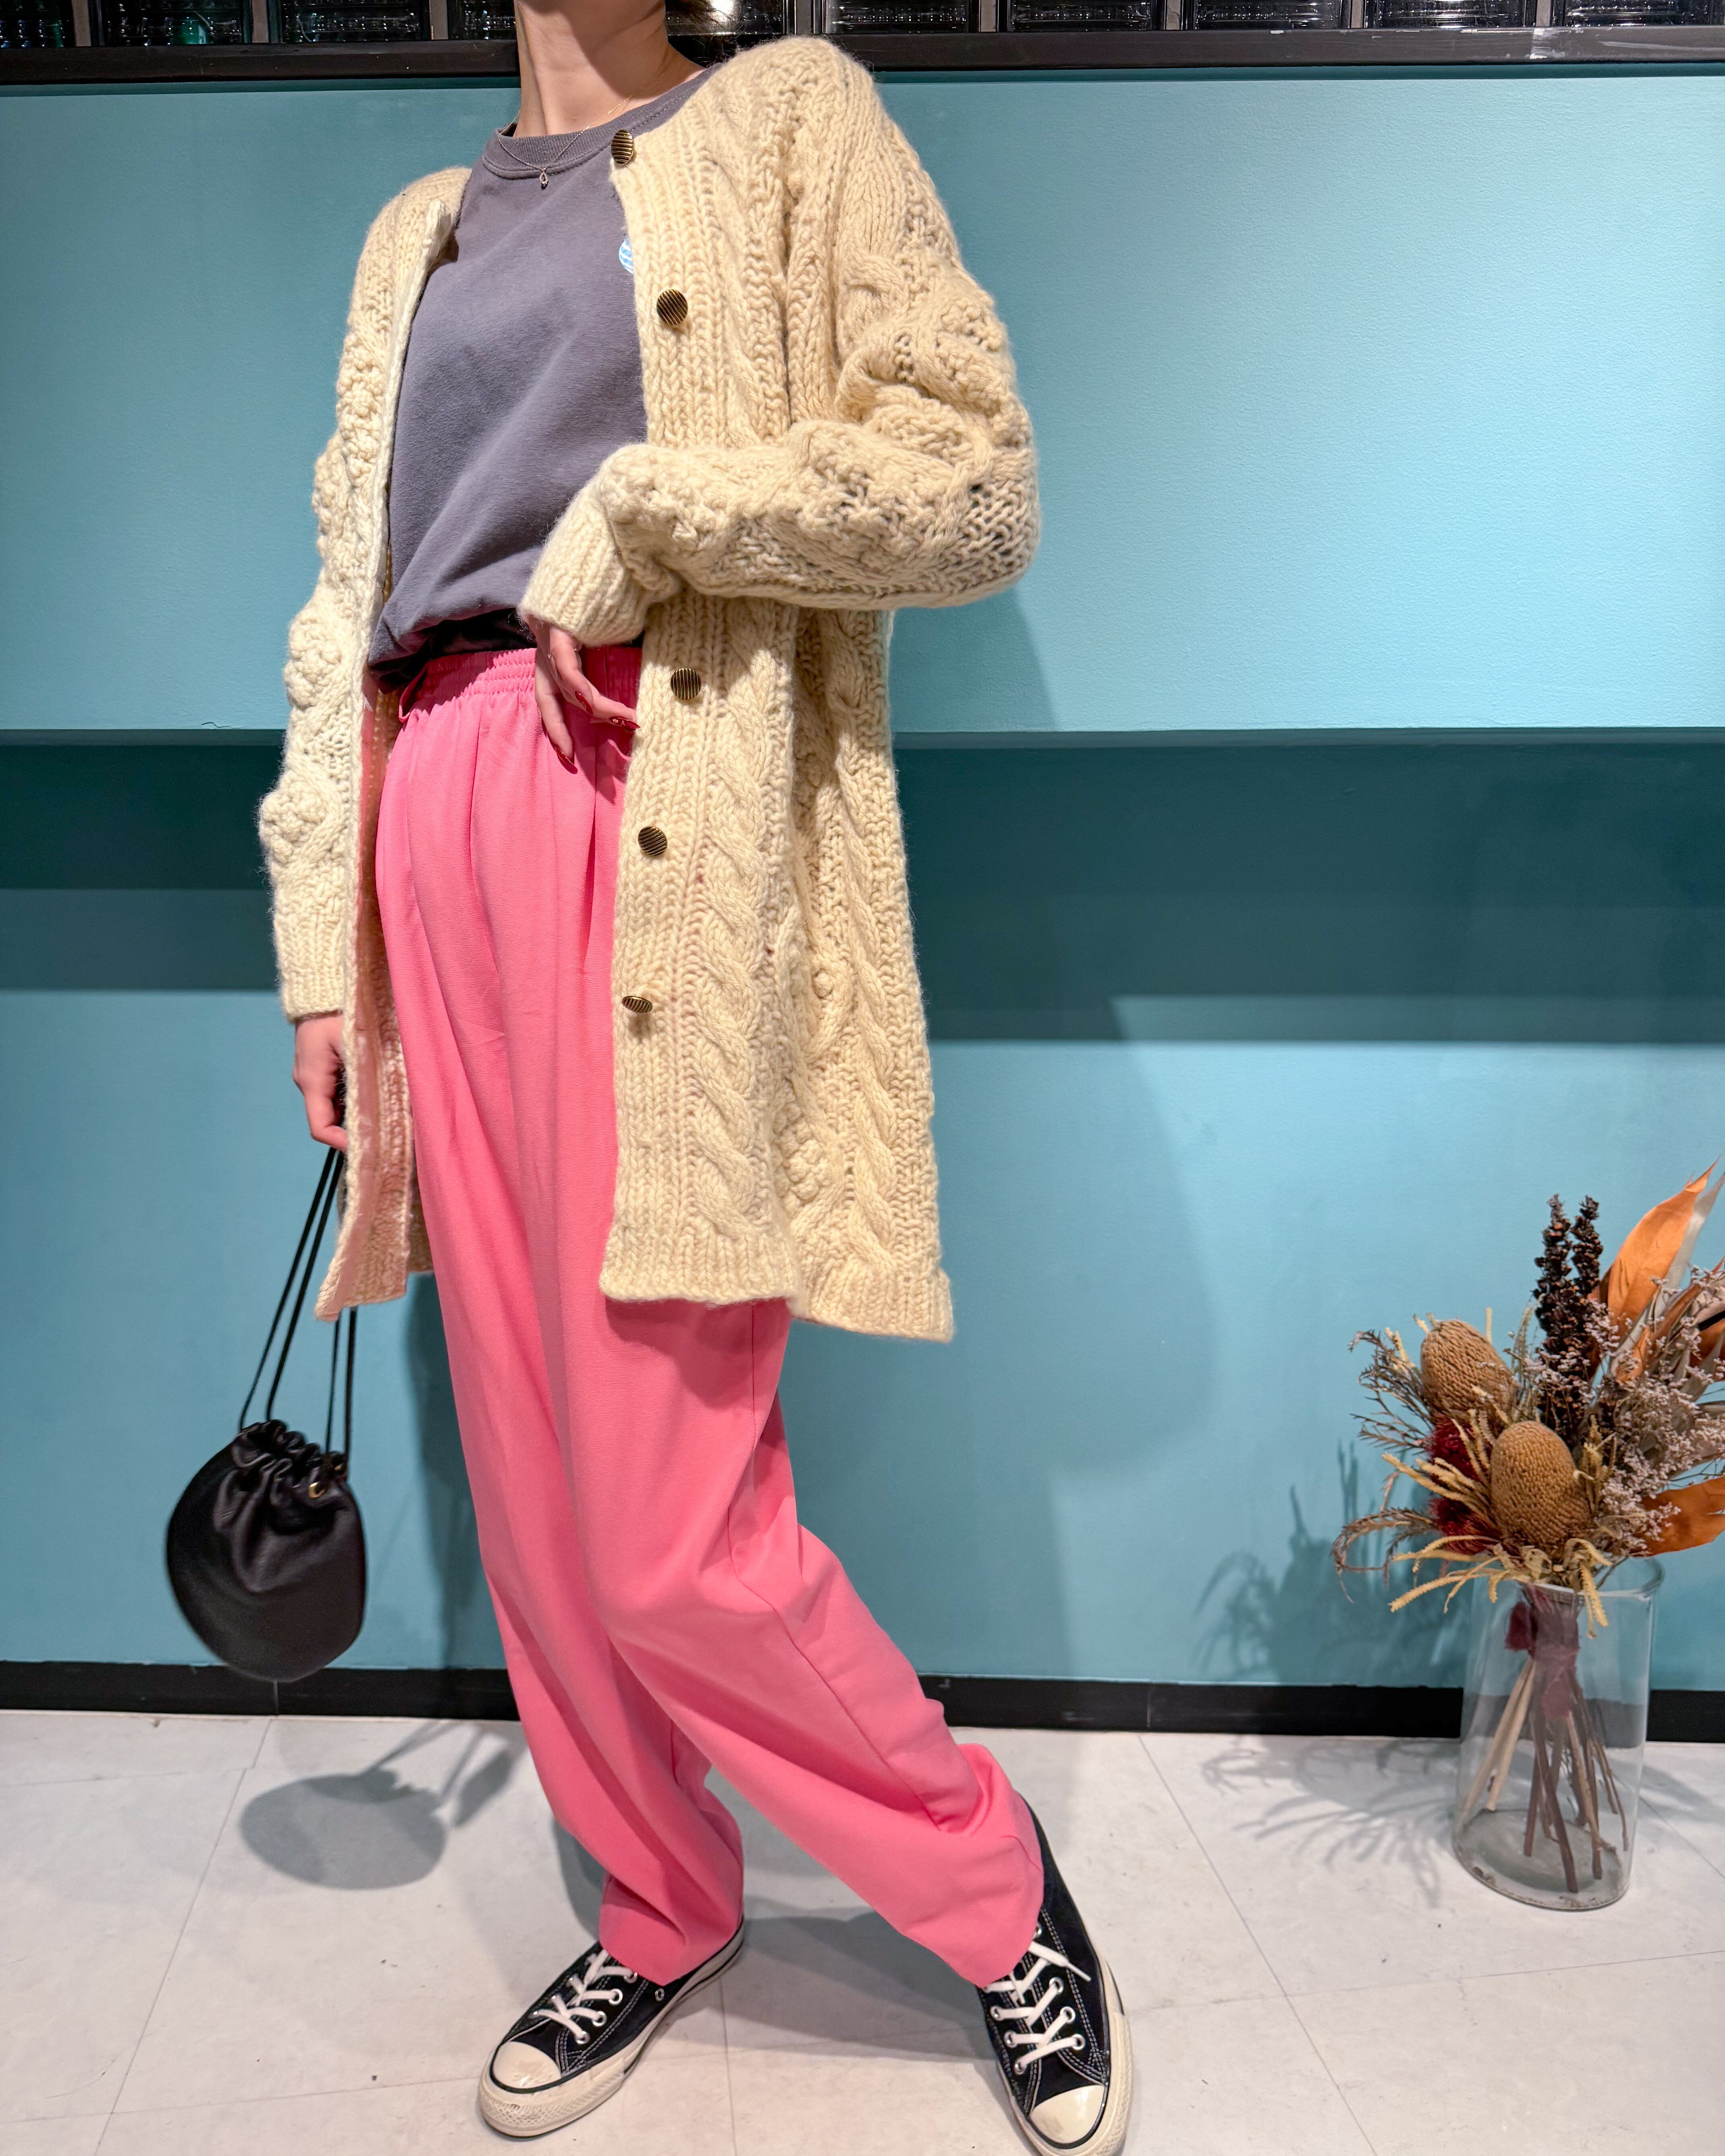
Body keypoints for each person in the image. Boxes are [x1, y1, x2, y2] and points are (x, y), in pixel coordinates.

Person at [259, 6, 1129, 2150]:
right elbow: (340, 608)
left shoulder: (791, 116)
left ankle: (991, 1886)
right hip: (432, 825)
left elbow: (975, 479)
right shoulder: (416, 228)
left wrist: (643, 519)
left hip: (647, 802)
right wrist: (317, 952)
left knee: (670, 1531)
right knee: (536, 1491)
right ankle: (662, 1898)